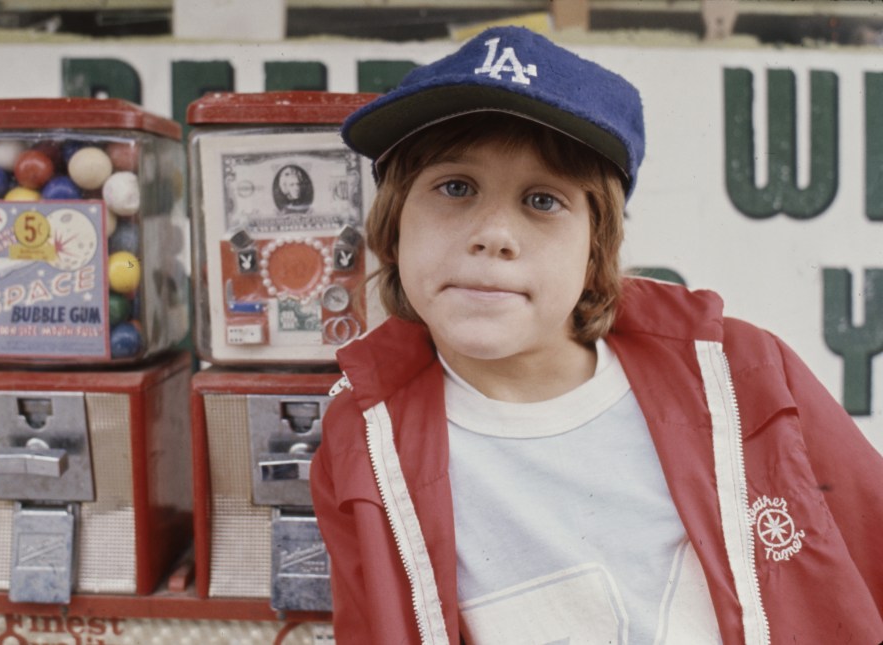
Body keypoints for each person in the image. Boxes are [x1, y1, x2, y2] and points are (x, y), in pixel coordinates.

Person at [309, 25, 883, 645]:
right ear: (392, 229)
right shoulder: (363, 439)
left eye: (542, 200)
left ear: (595, 252)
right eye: (455, 187)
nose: (495, 233)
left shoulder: (745, 373)